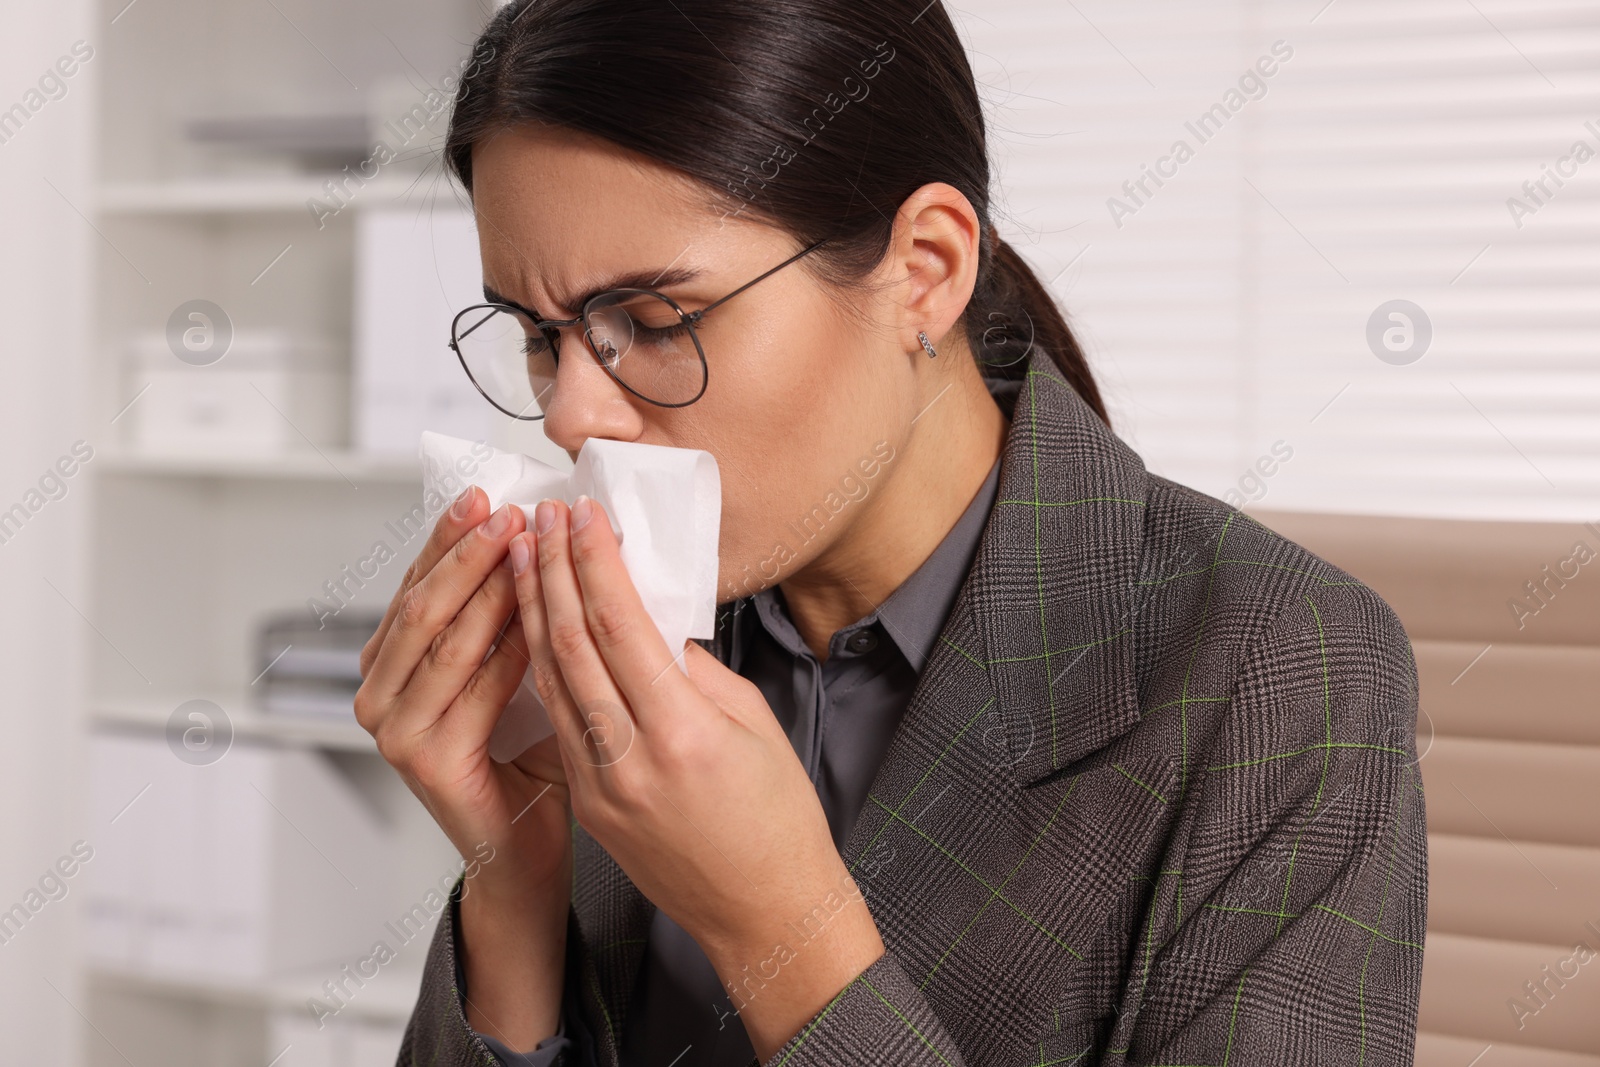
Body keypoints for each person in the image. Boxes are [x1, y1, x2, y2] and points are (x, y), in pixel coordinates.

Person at [353, 1, 1428, 1064]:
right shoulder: (630, 625)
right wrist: (514, 878)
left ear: (924, 268)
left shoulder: (1283, 670)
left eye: (651, 320)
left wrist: (783, 930)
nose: (569, 415)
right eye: (544, 337)